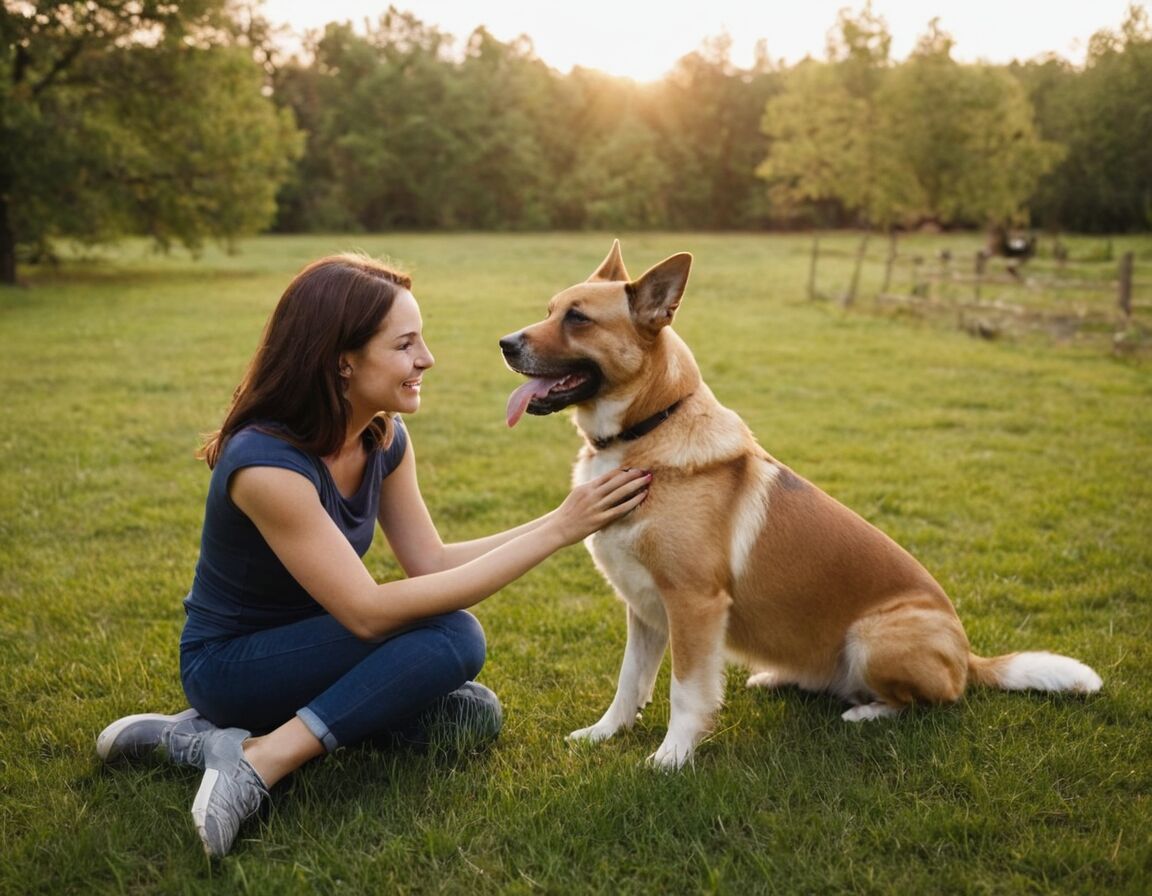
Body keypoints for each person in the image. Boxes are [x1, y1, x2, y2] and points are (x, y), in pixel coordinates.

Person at [95, 253, 651, 858]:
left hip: (321, 642)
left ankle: (202, 744)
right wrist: (557, 533)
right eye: (405, 344)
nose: (426, 359)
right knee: (454, 640)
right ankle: (258, 757)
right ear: (342, 361)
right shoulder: (264, 464)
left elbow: (432, 564)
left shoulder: (381, 436)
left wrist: (561, 519)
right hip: (233, 667)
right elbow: (365, 613)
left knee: (468, 716)